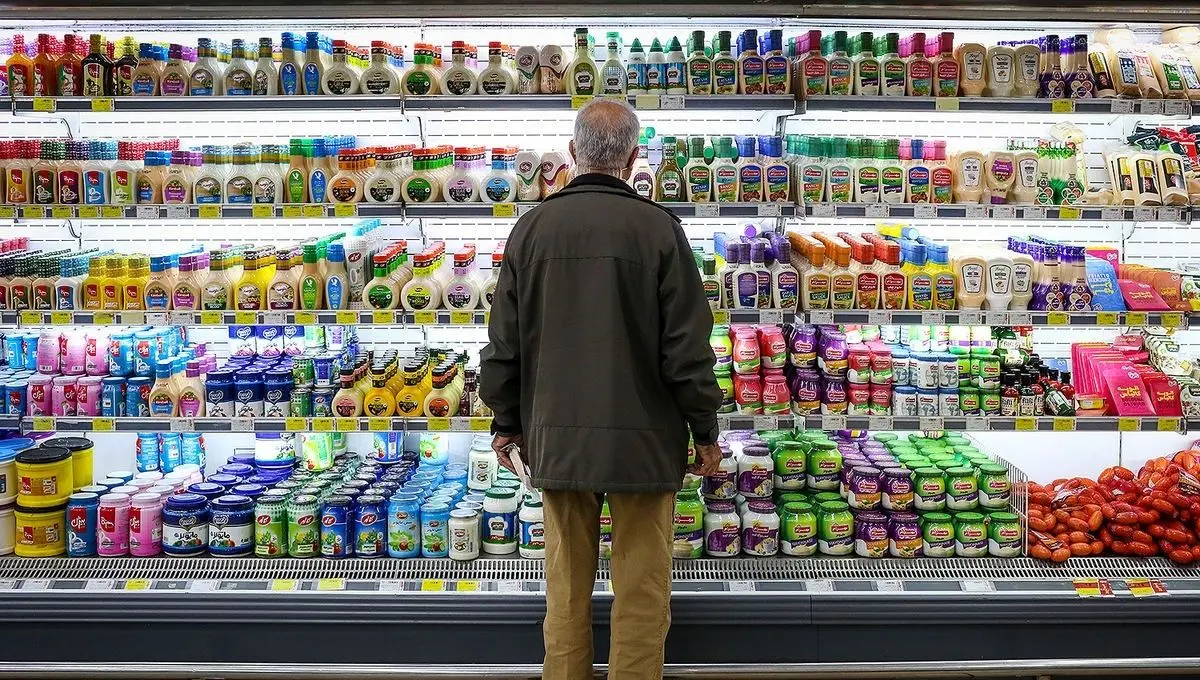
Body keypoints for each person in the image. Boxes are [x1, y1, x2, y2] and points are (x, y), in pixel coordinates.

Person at [479, 97, 723, 680]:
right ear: (634, 159)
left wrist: (506, 422)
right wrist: (704, 429)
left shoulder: (531, 228)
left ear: (572, 153)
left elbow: (504, 344)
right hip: (646, 442)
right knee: (642, 590)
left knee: (565, 591)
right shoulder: (660, 229)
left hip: (558, 439)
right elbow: (687, 349)